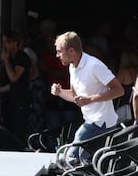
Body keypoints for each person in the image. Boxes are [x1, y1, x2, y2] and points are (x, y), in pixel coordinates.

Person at [51, 31, 124, 165]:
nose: (57, 55)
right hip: (90, 121)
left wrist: (90, 99)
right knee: (83, 162)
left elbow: (119, 90)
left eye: (59, 52)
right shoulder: (72, 67)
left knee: (71, 158)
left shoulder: (94, 65)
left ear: (71, 50)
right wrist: (60, 92)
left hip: (102, 122)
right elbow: (75, 96)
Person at [0, 30, 31, 146]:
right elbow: (12, 85)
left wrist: (6, 61)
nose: (5, 45)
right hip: (11, 99)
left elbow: (14, 78)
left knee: (19, 130)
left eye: (7, 42)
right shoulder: (11, 58)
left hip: (21, 100)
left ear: (15, 43)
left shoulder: (22, 58)